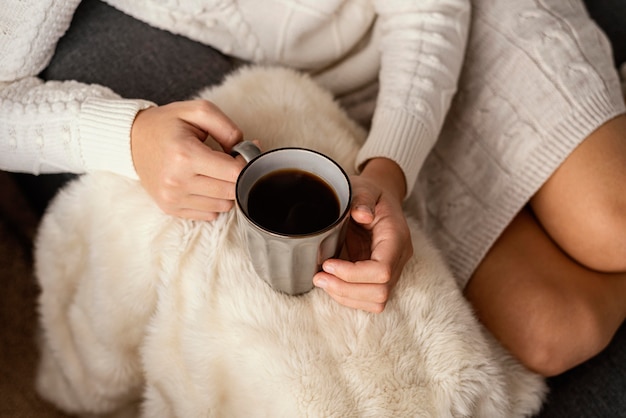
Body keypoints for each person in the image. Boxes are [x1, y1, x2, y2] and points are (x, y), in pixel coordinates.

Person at [1, 0, 624, 386]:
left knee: (613, 224)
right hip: (343, 100)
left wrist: (390, 169)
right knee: (552, 332)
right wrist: (127, 136)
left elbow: (429, 11)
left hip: (458, 24)